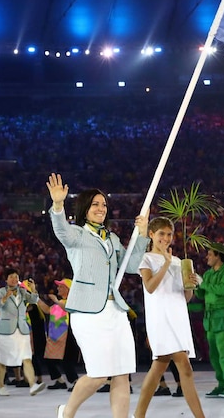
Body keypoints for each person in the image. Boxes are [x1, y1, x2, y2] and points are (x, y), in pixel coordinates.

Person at [45, 173, 149, 418]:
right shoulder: (77, 235)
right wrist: (58, 205)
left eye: (104, 204)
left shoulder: (112, 238)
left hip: (116, 312)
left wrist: (142, 235)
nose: (101, 208)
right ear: (84, 208)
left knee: (122, 372)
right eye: (95, 204)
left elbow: (132, 266)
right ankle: (67, 412)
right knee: (100, 374)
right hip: (87, 313)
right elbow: (61, 230)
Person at [132, 217, 204, 418]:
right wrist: (164, 264)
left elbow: (185, 297)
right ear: (152, 235)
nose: (165, 238)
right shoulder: (146, 259)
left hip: (178, 317)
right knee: (185, 367)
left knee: (158, 370)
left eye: (169, 234)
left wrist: (191, 285)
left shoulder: (179, 261)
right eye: (161, 233)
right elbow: (150, 287)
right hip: (161, 319)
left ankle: (138, 415)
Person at [194, 241, 224, 398]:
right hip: (211, 318)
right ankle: (222, 384)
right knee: (214, 355)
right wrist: (196, 286)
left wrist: (203, 284)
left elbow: (222, 289)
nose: (207, 257)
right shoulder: (208, 274)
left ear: (218, 256)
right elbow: (202, 296)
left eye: (210, 254)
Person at [0, 268, 45, 397]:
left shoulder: (22, 292)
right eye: (11, 277)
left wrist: (33, 289)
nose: (14, 279)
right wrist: (5, 298)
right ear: (6, 279)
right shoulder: (1, 292)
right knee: (3, 361)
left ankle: (32, 385)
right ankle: (1, 386)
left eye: (16, 277)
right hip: (6, 331)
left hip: (22, 329)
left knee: (27, 358)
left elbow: (33, 300)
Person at [38, 279, 80, 391]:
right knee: (49, 358)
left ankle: (76, 382)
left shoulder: (73, 302)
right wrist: (35, 297)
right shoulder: (59, 303)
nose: (58, 288)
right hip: (55, 336)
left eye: (61, 286)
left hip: (68, 336)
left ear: (68, 289)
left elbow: (67, 308)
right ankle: (59, 380)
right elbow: (47, 310)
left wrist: (56, 301)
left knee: (67, 361)